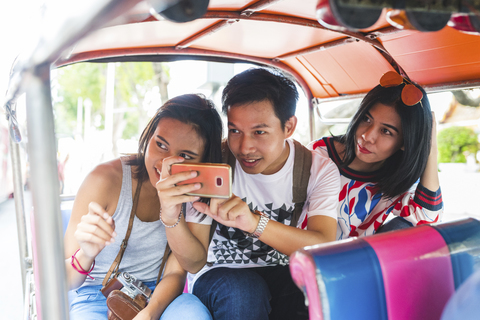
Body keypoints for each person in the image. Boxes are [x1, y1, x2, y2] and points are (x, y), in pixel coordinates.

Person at [158, 67, 341, 320]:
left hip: (283, 273)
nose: (244, 148)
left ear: (288, 127)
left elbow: (322, 244)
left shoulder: (316, 169)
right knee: (243, 291)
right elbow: (193, 263)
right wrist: (170, 212)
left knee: (318, 290)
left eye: (259, 132)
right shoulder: (213, 163)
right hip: (219, 277)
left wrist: (255, 223)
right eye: (234, 131)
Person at [64, 94, 223, 320]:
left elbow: (187, 267)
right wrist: (86, 254)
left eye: (185, 156)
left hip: (161, 295)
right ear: (148, 137)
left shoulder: (196, 190)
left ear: (203, 162)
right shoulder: (104, 180)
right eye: (160, 145)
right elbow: (63, 281)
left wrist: (149, 313)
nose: (164, 163)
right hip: (97, 294)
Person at [308, 71, 443, 240]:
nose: (367, 136)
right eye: (366, 119)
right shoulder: (320, 154)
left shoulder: (398, 177)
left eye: (386, 131)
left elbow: (428, 220)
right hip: (298, 256)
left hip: (353, 261)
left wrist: (430, 146)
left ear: (404, 142)